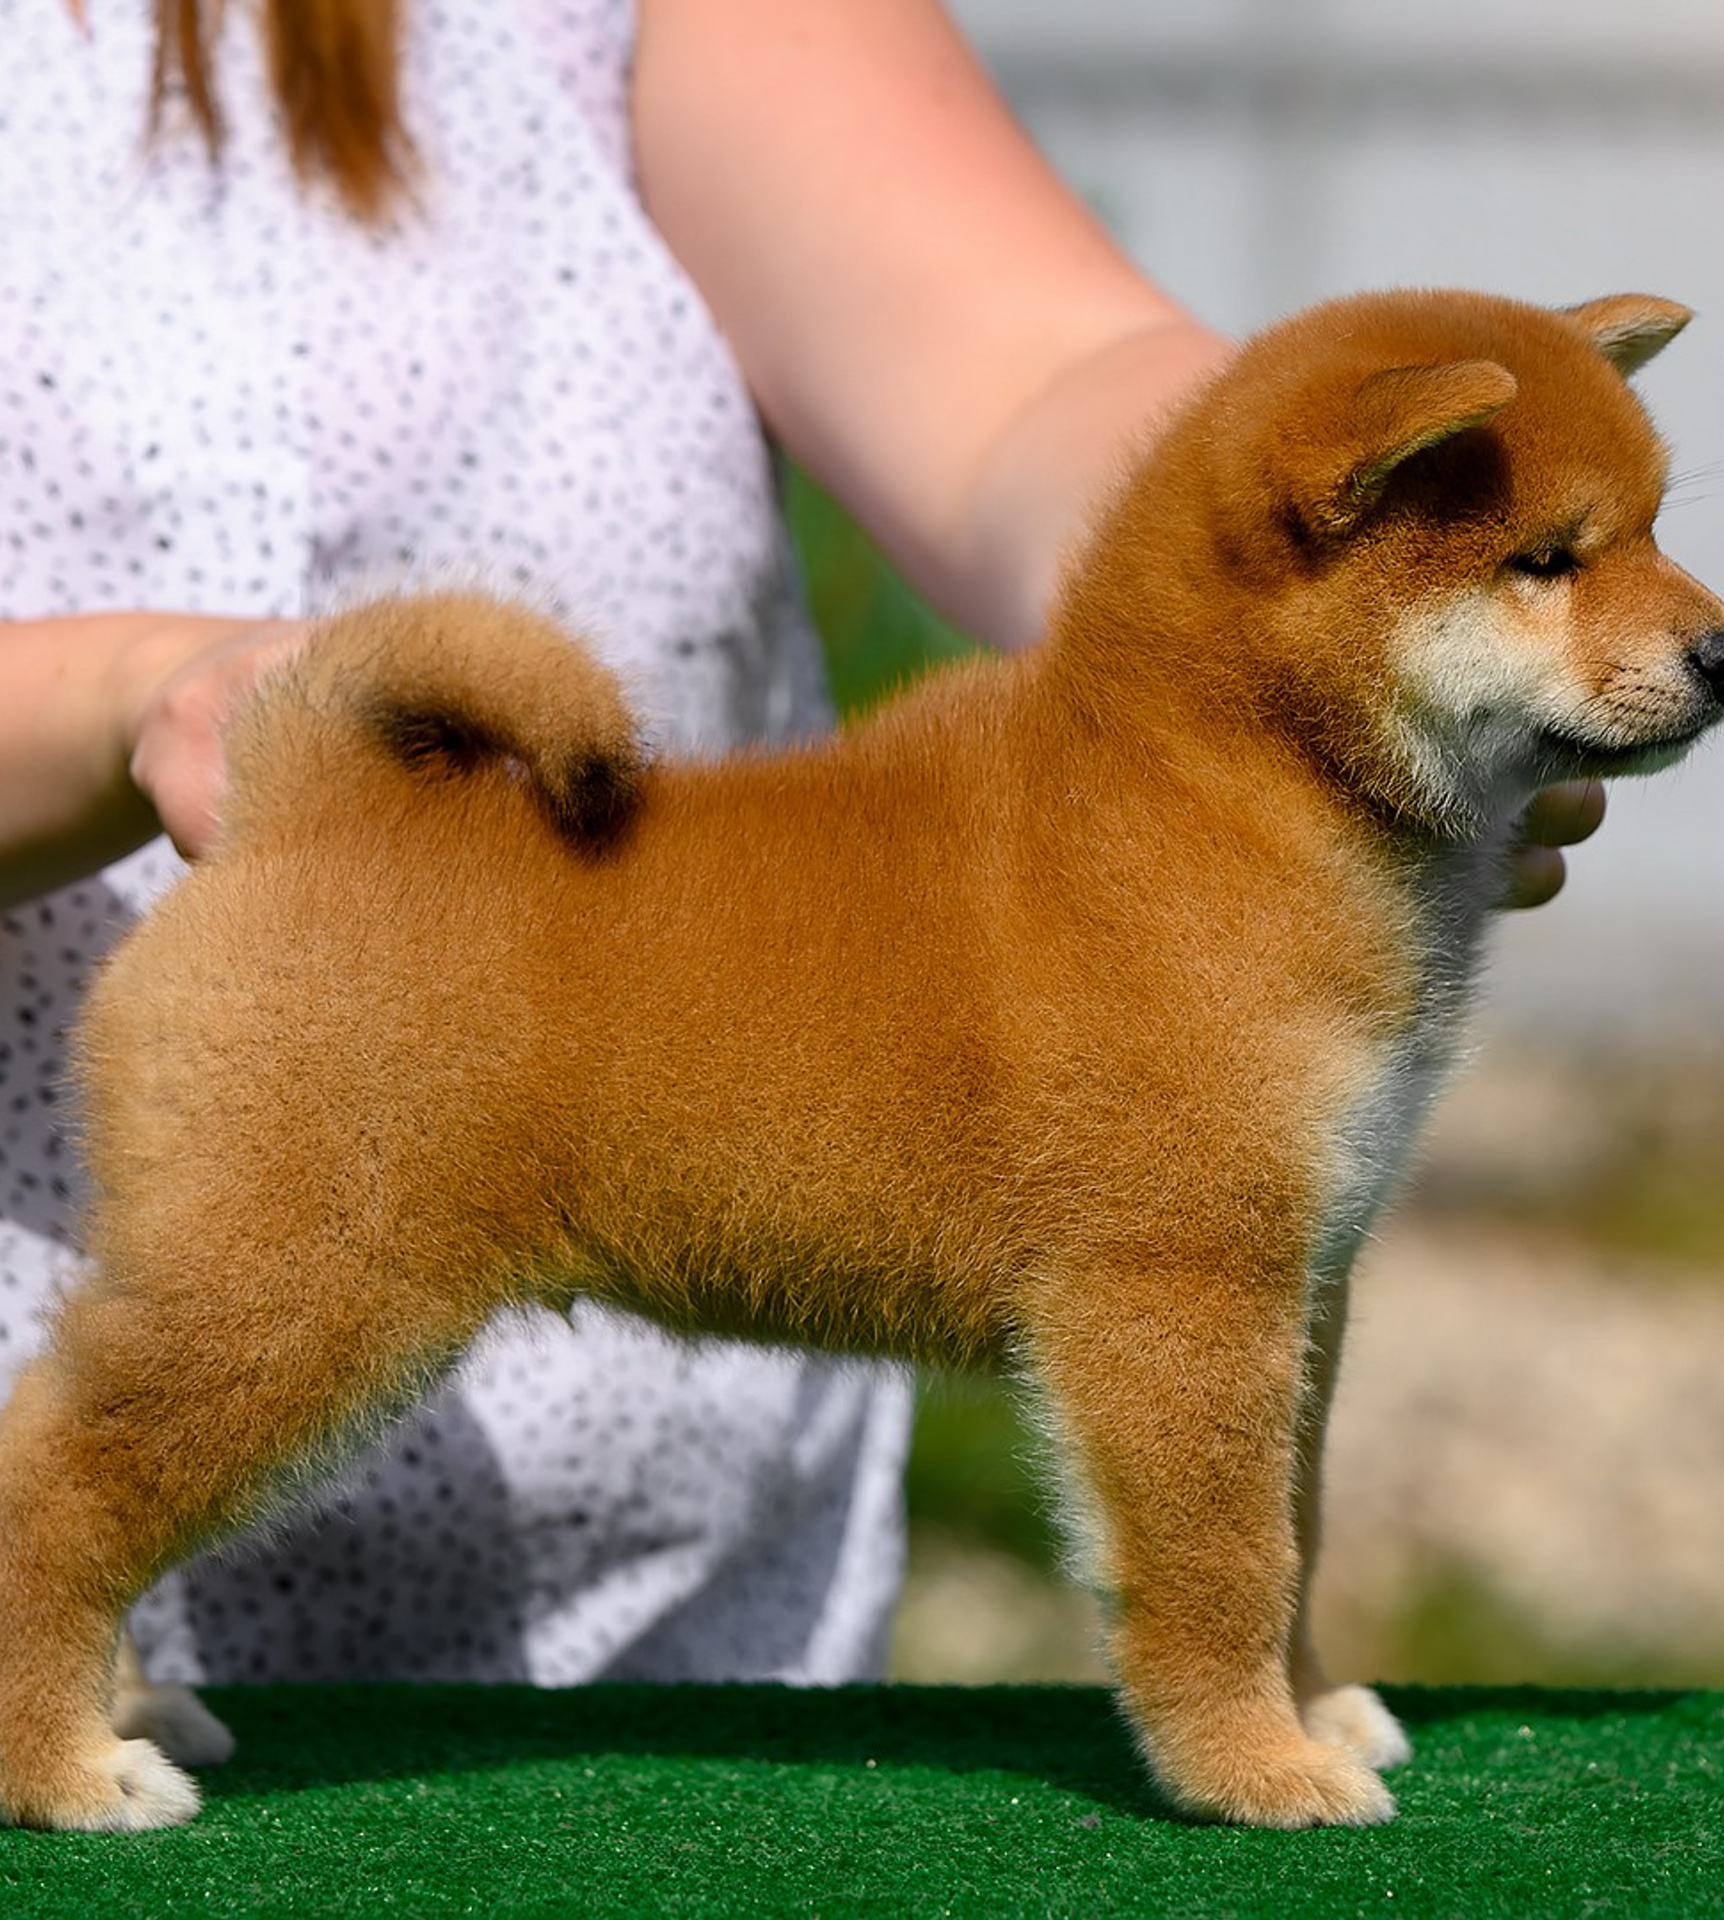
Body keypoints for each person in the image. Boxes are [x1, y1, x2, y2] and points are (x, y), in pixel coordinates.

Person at [0, 0, 1604, 1691]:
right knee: (213, 1363)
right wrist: (126, 690)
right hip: (323, 1054)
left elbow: (1029, 381)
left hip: (684, 1617)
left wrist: (1282, 569)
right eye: (1552, 566)